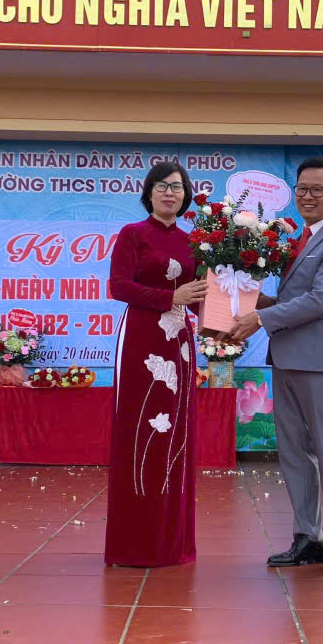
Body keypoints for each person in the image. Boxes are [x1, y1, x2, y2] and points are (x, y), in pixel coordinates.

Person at [227, 157, 323, 577]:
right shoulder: (296, 239)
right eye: (302, 189)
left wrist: (261, 318)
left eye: (317, 189)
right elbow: (292, 300)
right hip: (285, 357)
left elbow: (322, 299)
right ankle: (307, 537)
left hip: (319, 361)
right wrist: (248, 299)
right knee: (293, 452)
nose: (308, 196)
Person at [104, 161, 208, 567]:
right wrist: (170, 298)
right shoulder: (133, 234)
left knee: (176, 432)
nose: (169, 192)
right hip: (141, 338)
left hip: (180, 341)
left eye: (177, 187)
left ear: (186, 196)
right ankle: (133, 543)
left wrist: (223, 319)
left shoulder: (193, 242)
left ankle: (171, 540)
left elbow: (199, 297)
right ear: (148, 193)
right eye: (162, 186)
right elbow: (119, 286)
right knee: (138, 428)